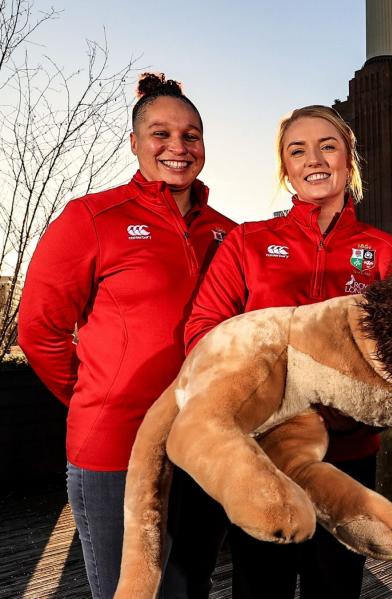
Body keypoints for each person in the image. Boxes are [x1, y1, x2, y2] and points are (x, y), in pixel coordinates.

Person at [17, 72, 235, 599]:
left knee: (189, 586)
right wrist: (95, 396)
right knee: (129, 592)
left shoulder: (229, 233)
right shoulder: (91, 217)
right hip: (115, 448)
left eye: (190, 135)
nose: (177, 147)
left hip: (202, 445)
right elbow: (38, 328)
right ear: (135, 142)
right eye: (160, 133)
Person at [179, 105, 392, 599]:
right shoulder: (247, 242)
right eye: (297, 150)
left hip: (348, 461)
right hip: (262, 455)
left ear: (349, 160)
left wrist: (360, 410)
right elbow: (202, 333)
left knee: (335, 587)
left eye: (328, 146)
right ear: (285, 168)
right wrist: (262, 393)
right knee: (261, 587)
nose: (313, 159)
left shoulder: (385, 253)